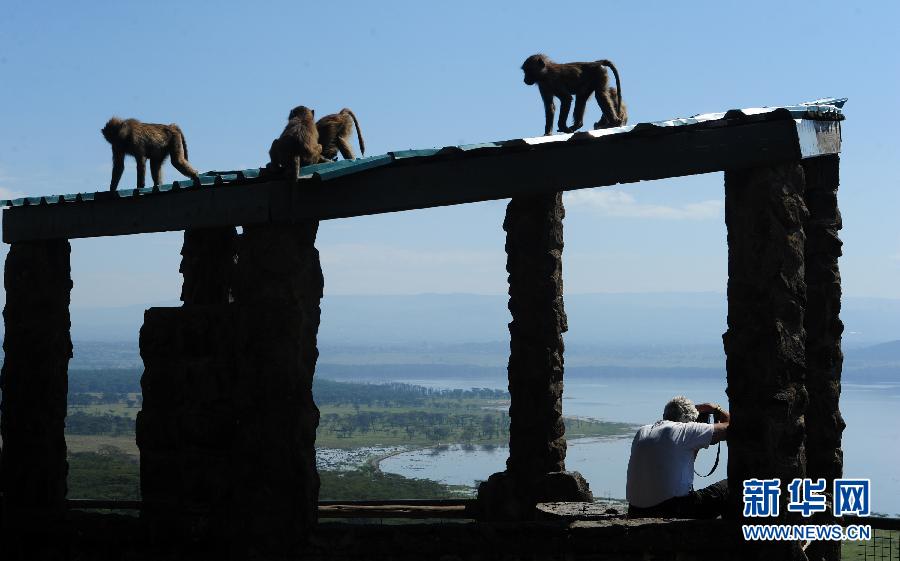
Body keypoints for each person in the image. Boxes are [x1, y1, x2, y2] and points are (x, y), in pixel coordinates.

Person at [625, 395, 730, 518]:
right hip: (672, 509)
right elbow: (732, 428)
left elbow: (684, 462)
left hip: (635, 510)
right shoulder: (683, 430)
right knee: (731, 485)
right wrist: (716, 408)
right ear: (689, 422)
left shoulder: (642, 431)